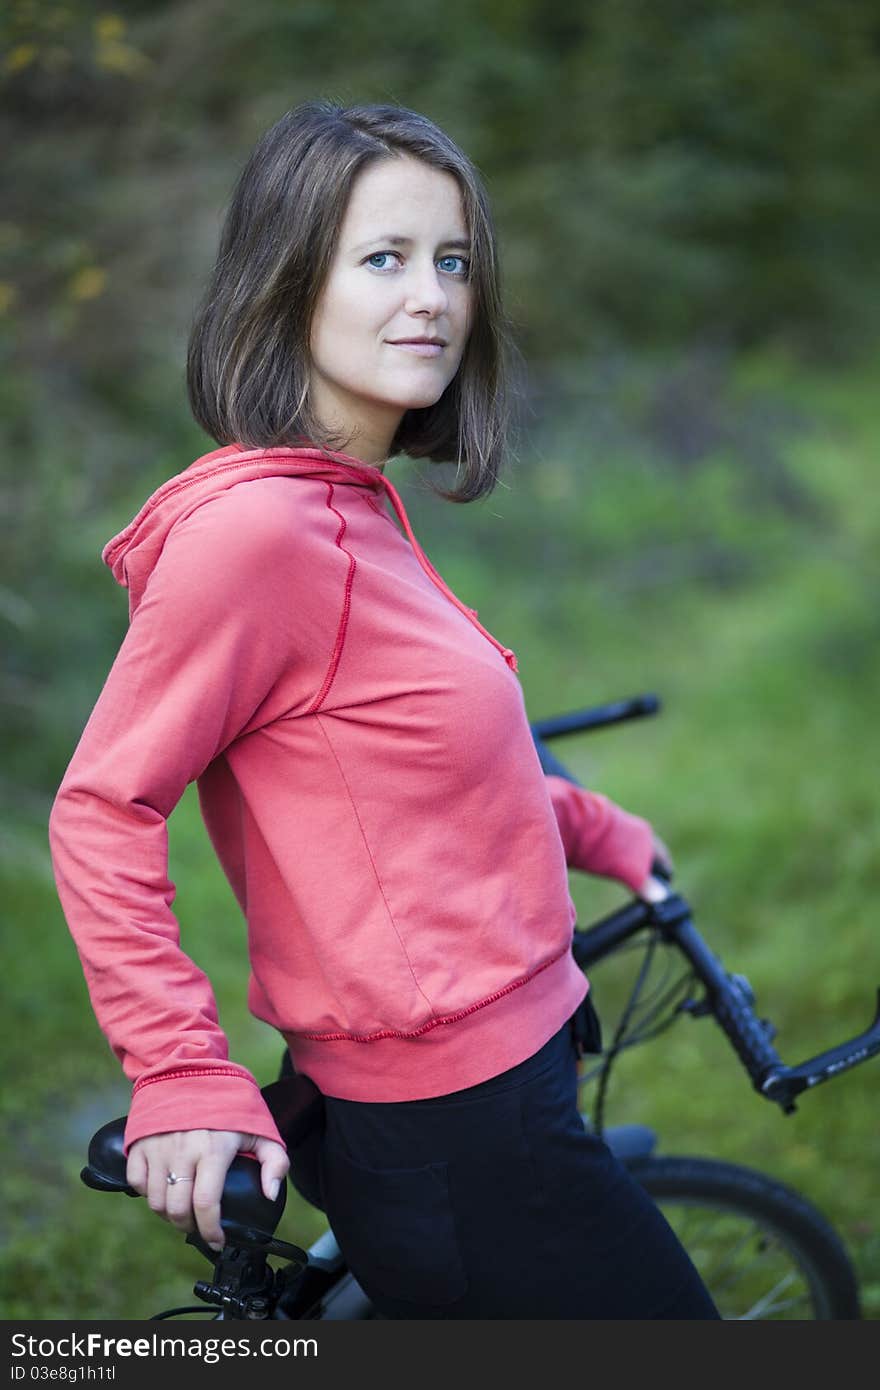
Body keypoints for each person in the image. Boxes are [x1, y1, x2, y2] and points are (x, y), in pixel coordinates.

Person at [49, 100, 719, 1319]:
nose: (433, 297)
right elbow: (102, 807)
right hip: (462, 1132)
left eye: (452, 260)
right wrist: (182, 1070)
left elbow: (408, 771)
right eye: (384, 257)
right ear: (287, 285)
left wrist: (594, 828)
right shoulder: (259, 536)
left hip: (505, 1083)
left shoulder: (345, 505)